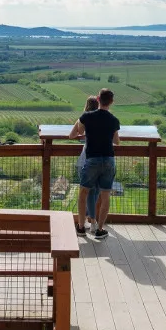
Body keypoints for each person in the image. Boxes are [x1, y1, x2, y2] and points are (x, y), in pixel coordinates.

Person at [68, 88, 120, 239]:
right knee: (105, 195)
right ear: (111, 102)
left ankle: (81, 227)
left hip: (91, 160)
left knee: (83, 193)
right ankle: (99, 229)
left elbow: (77, 132)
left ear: (98, 99)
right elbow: (116, 141)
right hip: (108, 160)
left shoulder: (86, 116)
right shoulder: (113, 120)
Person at [76, 95, 100, 231]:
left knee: (85, 193)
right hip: (101, 159)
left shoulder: (84, 118)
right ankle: (91, 220)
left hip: (86, 159)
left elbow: (74, 134)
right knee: (95, 192)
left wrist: (79, 120)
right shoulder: (105, 119)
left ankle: (83, 223)